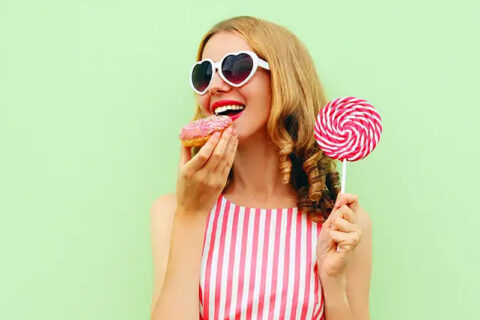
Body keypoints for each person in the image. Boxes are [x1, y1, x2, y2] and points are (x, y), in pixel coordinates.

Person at [150, 16, 372, 320]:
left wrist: (333, 285)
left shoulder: (340, 223)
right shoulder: (172, 212)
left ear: (284, 80)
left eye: (237, 67)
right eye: (204, 74)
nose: (214, 86)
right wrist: (192, 214)